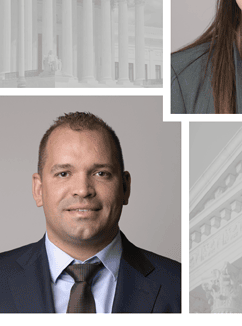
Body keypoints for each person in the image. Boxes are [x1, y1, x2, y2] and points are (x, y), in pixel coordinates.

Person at [0, 112, 180, 313]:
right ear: (38, 190)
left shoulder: (180, 285)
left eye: (101, 173)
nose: (83, 190)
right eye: (63, 174)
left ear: (125, 187)